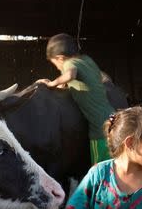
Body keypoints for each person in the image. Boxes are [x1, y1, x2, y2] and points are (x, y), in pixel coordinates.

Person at [36, 33, 115, 163]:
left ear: (60, 58)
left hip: (100, 129)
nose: (57, 67)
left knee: (99, 169)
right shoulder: (87, 60)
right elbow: (78, 81)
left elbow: (70, 75)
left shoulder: (69, 63)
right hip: (112, 117)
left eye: (55, 63)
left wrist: (51, 84)